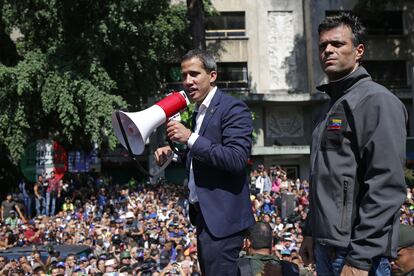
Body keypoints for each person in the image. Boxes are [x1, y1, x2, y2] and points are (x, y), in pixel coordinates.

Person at [299, 13, 407, 276]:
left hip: (357, 255)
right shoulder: (327, 109)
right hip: (326, 250)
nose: (328, 50)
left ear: (359, 51)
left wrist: (360, 257)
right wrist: (310, 232)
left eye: (337, 44)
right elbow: (323, 180)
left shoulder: (377, 101)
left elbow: (386, 185)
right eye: (323, 45)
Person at [154, 49, 254, 275]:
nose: (187, 81)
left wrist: (189, 137)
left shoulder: (233, 108)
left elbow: (236, 159)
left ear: (212, 76)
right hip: (205, 219)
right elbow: (201, 156)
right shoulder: (199, 111)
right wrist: (174, 153)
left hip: (224, 224)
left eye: (194, 74)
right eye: (184, 75)